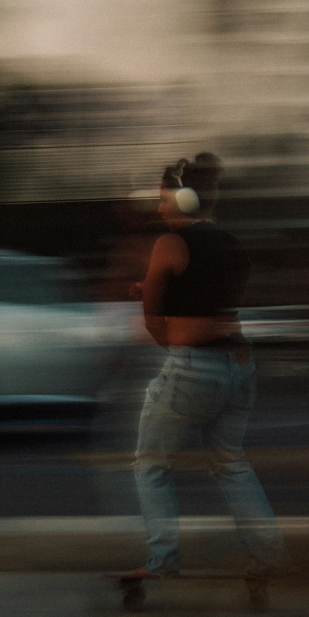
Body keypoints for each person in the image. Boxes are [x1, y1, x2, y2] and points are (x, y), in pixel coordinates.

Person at [124, 153, 291, 579]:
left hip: (193, 372)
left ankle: (163, 560)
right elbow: (210, 297)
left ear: (183, 200)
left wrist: (155, 306)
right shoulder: (232, 244)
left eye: (164, 200)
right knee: (230, 464)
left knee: (151, 464)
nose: (160, 209)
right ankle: (271, 557)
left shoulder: (168, 244)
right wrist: (165, 293)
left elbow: (155, 323)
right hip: (239, 368)